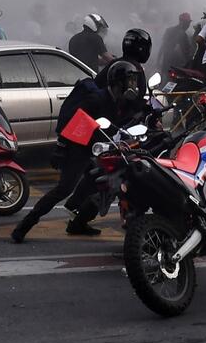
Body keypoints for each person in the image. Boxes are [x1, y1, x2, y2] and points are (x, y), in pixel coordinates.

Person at [11, 60, 141, 243]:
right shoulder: (96, 99)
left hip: (94, 150)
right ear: (119, 82)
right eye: (130, 80)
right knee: (63, 190)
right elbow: (75, 121)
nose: (133, 84)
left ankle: (78, 223)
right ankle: (24, 225)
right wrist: (61, 148)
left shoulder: (115, 100)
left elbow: (113, 125)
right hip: (77, 151)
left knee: (104, 182)